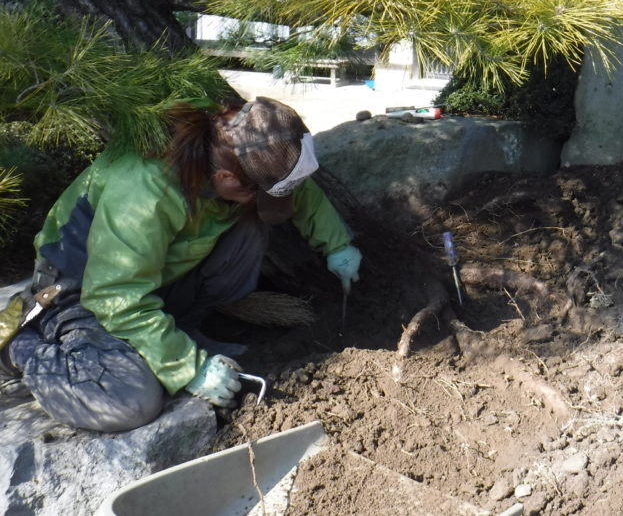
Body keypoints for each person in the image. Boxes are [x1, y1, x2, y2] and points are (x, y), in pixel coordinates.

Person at [0, 97, 363, 432]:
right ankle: (20, 347)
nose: (261, 198)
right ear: (225, 178)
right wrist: (188, 368)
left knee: (251, 227)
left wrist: (337, 245)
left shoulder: (236, 139)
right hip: (84, 293)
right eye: (255, 191)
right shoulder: (144, 190)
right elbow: (115, 296)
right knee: (130, 404)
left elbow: (291, 186)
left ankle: (183, 329)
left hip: (152, 276)